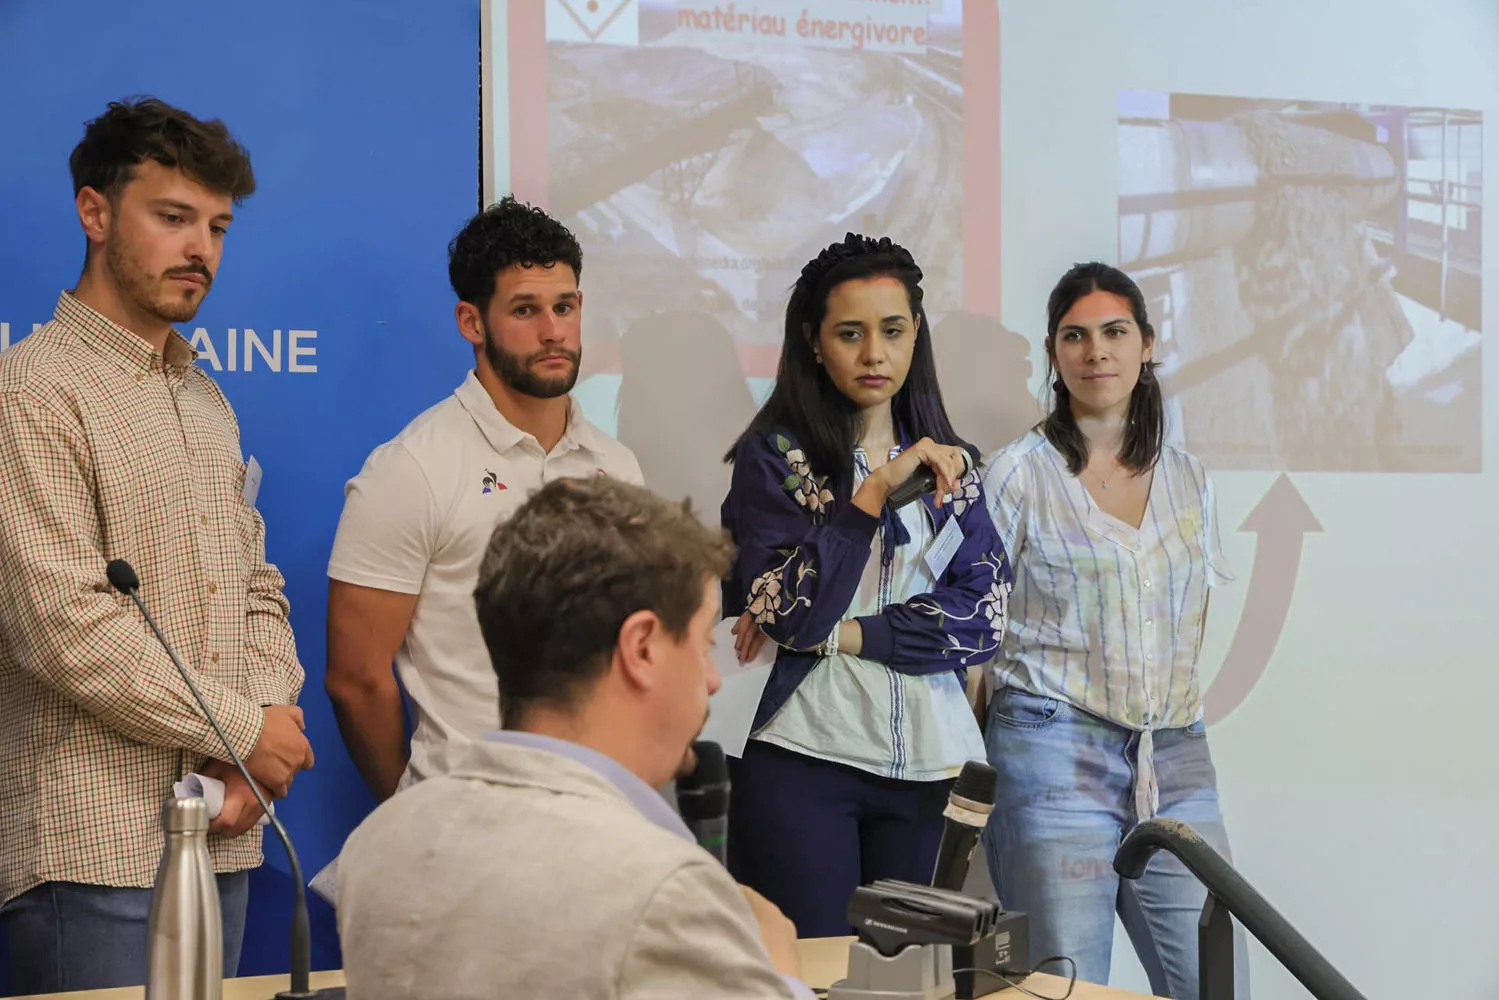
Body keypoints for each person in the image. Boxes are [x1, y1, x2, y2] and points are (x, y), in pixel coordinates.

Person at [0, 97, 313, 993]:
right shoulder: (32, 391)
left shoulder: (207, 400)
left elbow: (256, 586)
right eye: (173, 217)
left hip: (225, 826)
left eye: (216, 226)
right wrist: (247, 731)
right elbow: (63, 628)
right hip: (93, 848)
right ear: (94, 213)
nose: (200, 248)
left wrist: (262, 727)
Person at [336, 476, 814, 998]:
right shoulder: (663, 890)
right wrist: (779, 973)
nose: (714, 679)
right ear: (643, 648)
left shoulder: (378, 843)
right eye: (703, 645)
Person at [719, 233, 1012, 938]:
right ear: (814, 343)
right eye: (850, 334)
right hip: (800, 756)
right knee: (810, 972)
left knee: (908, 977)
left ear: (917, 336)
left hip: (930, 767)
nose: (874, 353)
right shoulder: (775, 458)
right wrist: (871, 494)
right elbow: (793, 618)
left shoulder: (954, 465)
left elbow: (983, 614)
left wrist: (847, 636)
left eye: (892, 331)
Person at [979, 261, 1248, 998]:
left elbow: (1190, 617)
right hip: (1050, 754)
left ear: (1146, 345)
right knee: (1067, 987)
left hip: (1175, 756)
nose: (1095, 351)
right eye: (1074, 336)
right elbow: (973, 632)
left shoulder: (1189, 477)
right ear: (1053, 352)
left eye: (1114, 332)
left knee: (1217, 984)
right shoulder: (1016, 474)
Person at [325, 196, 643, 802]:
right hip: (462, 815)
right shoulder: (412, 469)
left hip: (598, 810)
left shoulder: (618, 466)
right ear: (471, 322)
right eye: (525, 310)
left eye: (564, 307)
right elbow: (355, 680)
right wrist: (415, 807)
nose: (553, 331)